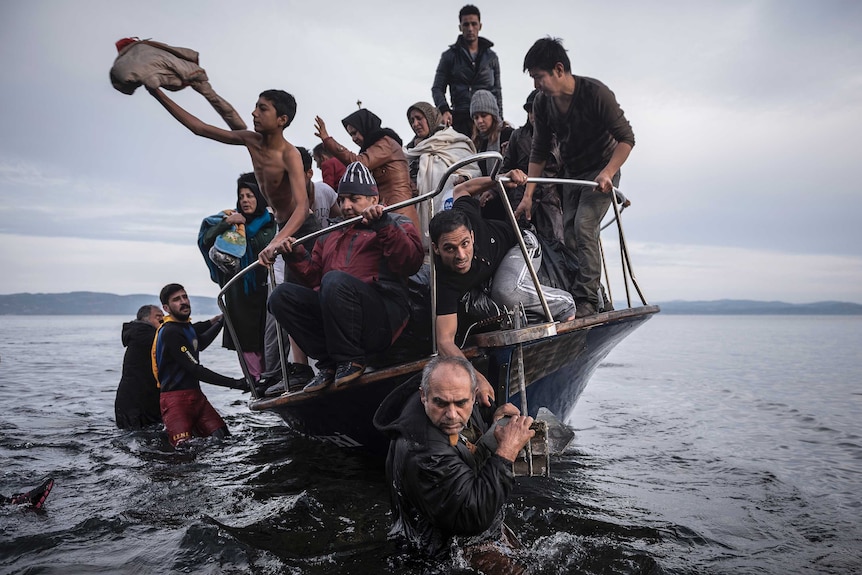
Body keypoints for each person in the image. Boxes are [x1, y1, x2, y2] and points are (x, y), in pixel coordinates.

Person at [268, 162, 424, 393]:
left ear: (374, 199)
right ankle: (329, 365)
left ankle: (351, 360)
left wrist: (383, 224)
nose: (346, 206)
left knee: (334, 280)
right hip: (337, 318)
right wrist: (295, 254)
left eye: (354, 199)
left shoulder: (397, 222)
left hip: (382, 318)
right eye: (341, 200)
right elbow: (313, 278)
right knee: (280, 296)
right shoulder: (331, 232)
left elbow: (409, 262)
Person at [429, 170, 576, 405]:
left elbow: (461, 190)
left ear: (472, 236)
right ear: (435, 249)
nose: (460, 255)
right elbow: (445, 341)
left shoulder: (465, 216)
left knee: (505, 292)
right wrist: (474, 378)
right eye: (449, 248)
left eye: (465, 244)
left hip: (520, 244)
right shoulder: (444, 278)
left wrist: (500, 178)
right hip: (491, 273)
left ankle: (565, 303)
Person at [373, 356, 533, 571]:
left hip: (465, 531)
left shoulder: (441, 404)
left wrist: (492, 432)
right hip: (446, 551)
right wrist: (506, 450)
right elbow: (472, 517)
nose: (451, 414)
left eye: (461, 403)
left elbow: (463, 457)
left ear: (473, 395)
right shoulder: (425, 452)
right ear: (424, 395)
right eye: (441, 403)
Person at [515, 37, 635, 317]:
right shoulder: (544, 104)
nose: (536, 85)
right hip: (573, 174)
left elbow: (626, 139)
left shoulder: (595, 93)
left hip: (602, 171)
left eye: (538, 77)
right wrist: (528, 196)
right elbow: (539, 150)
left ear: (559, 69)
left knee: (584, 227)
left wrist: (609, 172)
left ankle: (588, 302)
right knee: (568, 235)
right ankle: (588, 293)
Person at [146, 87, 310, 268]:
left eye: (263, 109)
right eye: (255, 107)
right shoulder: (251, 140)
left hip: (301, 227)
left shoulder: (289, 155)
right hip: (281, 228)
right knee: (284, 290)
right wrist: (156, 92)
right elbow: (199, 128)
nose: (254, 113)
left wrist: (276, 241)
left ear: (282, 119)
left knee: (306, 285)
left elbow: (302, 208)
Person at [198, 173, 276, 382]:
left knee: (268, 337)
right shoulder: (230, 220)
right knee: (245, 340)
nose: (245, 200)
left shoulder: (270, 224)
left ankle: (273, 377)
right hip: (238, 292)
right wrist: (227, 223)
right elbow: (205, 240)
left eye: (250, 195)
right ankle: (256, 381)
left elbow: (265, 246)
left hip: (263, 290)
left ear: (259, 198)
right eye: (241, 196)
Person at [153, 283, 247, 447]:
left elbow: (200, 343)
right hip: (175, 401)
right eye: (176, 299)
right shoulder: (170, 332)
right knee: (183, 451)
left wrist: (221, 321)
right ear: (166, 308)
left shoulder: (185, 327)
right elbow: (195, 369)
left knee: (223, 438)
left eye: (185, 296)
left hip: (196, 397)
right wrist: (237, 383)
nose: (183, 301)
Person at [314, 109, 421, 231]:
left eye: (355, 133)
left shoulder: (384, 143)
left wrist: (328, 140)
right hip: (385, 210)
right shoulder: (375, 147)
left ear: (365, 127)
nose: (354, 139)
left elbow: (359, 163)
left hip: (398, 211)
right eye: (351, 135)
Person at [403, 101, 481, 249]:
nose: (415, 124)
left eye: (419, 118)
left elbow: (472, 170)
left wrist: (464, 178)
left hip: (448, 210)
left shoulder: (452, 140)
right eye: (412, 120)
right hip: (417, 211)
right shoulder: (411, 150)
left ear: (430, 117)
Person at [503, 90, 564, 244]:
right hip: (520, 200)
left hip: (549, 201)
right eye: (530, 110)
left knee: (556, 248)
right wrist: (492, 190)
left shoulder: (562, 138)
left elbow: (569, 174)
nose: (533, 115)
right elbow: (505, 169)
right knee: (517, 245)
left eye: (537, 110)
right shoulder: (517, 136)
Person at [432, 4, 503, 137]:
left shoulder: (491, 57)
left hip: (487, 120)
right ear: (460, 27)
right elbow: (437, 88)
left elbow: (497, 91)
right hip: (460, 118)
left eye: (474, 24)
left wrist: (500, 119)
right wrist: (444, 110)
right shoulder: (449, 56)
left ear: (480, 26)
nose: (470, 28)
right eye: (466, 24)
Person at [114, 304, 164, 430]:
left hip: (139, 401)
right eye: (158, 316)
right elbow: (179, 339)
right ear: (145, 319)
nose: (162, 319)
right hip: (134, 405)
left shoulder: (143, 333)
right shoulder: (145, 334)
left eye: (163, 316)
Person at [469, 89, 515, 220]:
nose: (480, 121)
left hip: (507, 202)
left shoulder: (508, 135)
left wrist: (493, 190)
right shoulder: (477, 143)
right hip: (486, 206)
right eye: (476, 117)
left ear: (493, 114)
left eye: (484, 115)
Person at [298, 146, 342, 225]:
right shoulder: (286, 202)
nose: (318, 166)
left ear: (309, 173)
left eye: (295, 176)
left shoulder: (325, 191)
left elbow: (329, 184)